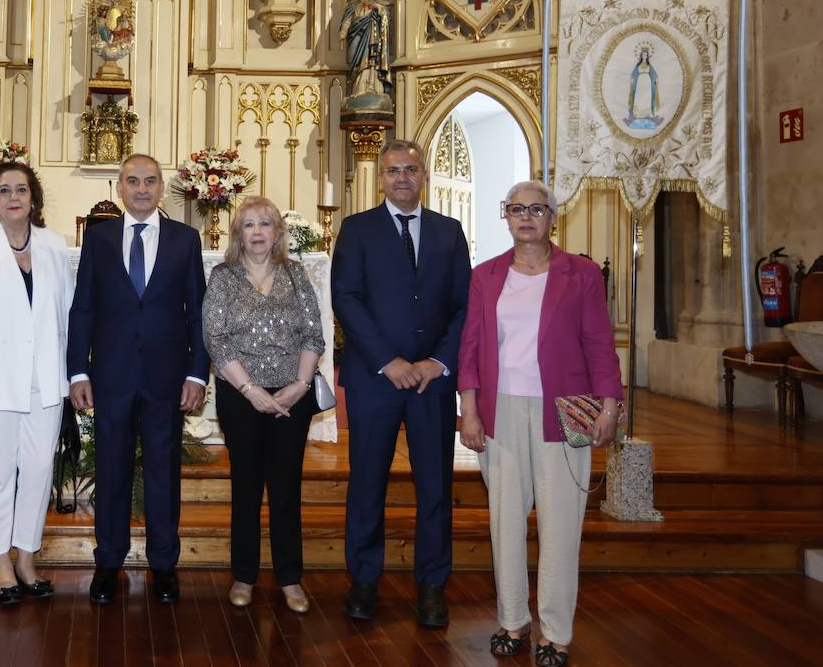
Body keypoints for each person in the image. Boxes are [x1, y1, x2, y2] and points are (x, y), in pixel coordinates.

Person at [458, 180, 623, 667]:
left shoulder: (582, 273)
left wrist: (610, 405)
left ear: (553, 217)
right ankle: (513, 619)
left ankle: (555, 631)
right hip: (501, 410)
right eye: (516, 209)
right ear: (504, 216)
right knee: (505, 523)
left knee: (560, 525)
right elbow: (469, 346)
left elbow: (598, 341)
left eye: (536, 208)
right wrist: (469, 408)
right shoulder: (485, 276)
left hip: (566, 410)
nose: (526, 216)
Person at [331, 138, 470, 627]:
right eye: (393, 171)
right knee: (367, 484)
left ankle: (432, 584)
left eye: (411, 169)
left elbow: (462, 306)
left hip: (432, 382)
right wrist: (388, 361)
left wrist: (438, 361)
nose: (403, 178)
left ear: (425, 175)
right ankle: (364, 580)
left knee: (435, 485)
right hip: (375, 380)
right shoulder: (356, 229)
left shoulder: (449, 232)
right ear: (381, 178)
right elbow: (345, 298)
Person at [68, 153, 208, 606]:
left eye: (150, 181)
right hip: (112, 374)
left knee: (164, 471)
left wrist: (196, 373)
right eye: (133, 181)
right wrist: (78, 370)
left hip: (168, 376)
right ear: (119, 188)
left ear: (162, 187)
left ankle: (164, 565)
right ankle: (108, 562)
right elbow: (83, 308)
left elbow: (198, 314)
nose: (142, 189)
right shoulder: (99, 239)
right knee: (111, 468)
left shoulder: (185, 240)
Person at [0, 162, 75, 606]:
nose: (13, 197)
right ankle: (0, 560)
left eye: (21, 189)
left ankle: (27, 557)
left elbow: (67, 313)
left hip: (45, 380)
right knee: (0, 474)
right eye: (4, 190)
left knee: (40, 471)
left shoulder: (53, 245)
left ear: (33, 198)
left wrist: (70, 375)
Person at [202, 196, 325, 614]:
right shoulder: (223, 277)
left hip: (293, 396)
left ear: (277, 233)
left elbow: (313, 335)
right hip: (241, 398)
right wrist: (252, 390)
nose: (257, 232)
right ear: (238, 234)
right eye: (249, 224)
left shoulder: (295, 274)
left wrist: (300, 384)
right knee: (247, 487)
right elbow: (215, 338)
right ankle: (244, 574)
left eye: (265, 224)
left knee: (286, 488)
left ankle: (290, 579)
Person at [341, 0, 390, 97]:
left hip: (371, 35)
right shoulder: (353, 4)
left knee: (371, 59)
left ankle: (370, 85)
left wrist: (377, 8)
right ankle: (357, 86)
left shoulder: (376, 3)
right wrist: (342, 34)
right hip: (356, 34)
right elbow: (347, 20)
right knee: (353, 58)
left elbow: (384, 16)